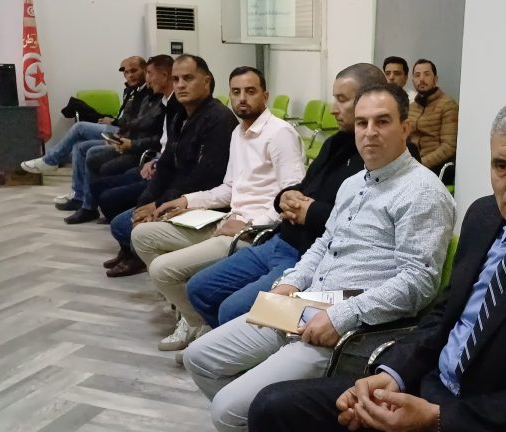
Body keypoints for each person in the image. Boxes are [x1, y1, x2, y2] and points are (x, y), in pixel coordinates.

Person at [249, 97, 506, 432]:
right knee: (273, 406)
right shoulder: (484, 216)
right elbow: (443, 318)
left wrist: (439, 419)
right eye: (502, 165)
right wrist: (391, 376)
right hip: (425, 388)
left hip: (488, 417)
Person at [182, 83, 456, 432]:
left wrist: (342, 316)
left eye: (382, 121)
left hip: (351, 328)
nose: (370, 132)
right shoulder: (354, 183)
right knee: (199, 357)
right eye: (362, 123)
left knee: (226, 409)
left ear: (405, 128)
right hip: (305, 304)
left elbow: (419, 284)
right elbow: (326, 243)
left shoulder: (423, 192)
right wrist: (290, 282)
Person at [184, 63, 389, 330]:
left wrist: (310, 212)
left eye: (342, 99)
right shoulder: (335, 142)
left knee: (231, 310)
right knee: (198, 289)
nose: (333, 108)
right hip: (280, 239)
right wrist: (284, 197)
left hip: (307, 252)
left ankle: (239, 343)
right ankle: (235, 341)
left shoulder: (376, 157)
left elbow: (362, 224)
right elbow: (303, 186)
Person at [131, 66, 305, 351]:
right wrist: (187, 200)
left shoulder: (279, 134)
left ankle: (198, 324)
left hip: (254, 234)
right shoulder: (238, 133)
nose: (242, 98)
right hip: (227, 222)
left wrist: (251, 225)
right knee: (142, 235)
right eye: (236, 92)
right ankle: (194, 318)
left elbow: (292, 197)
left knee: (162, 269)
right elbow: (229, 187)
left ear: (265, 96)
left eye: (250, 91)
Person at [105, 54, 238, 278]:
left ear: (206, 81)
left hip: (201, 204)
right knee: (128, 217)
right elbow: (166, 164)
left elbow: (204, 178)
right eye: (176, 79)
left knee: (123, 225)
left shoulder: (219, 120)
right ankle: (145, 259)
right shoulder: (179, 115)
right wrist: (147, 202)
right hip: (175, 195)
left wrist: (159, 205)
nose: (180, 85)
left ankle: (165, 268)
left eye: (188, 78)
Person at [20, 56, 150, 203]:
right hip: (119, 127)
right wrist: (114, 120)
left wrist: (114, 121)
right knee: (78, 145)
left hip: (124, 132)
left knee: (80, 127)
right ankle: (79, 195)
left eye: (134, 71)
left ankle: (50, 160)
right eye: (126, 72)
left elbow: (136, 121)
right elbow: (128, 117)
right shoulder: (130, 90)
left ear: (145, 70)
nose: (130, 75)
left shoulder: (146, 92)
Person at [64, 55, 174, 224]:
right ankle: (84, 201)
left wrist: (130, 142)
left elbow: (150, 130)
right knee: (81, 147)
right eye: (126, 72)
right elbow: (136, 124)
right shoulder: (144, 94)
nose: (131, 76)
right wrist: (121, 137)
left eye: (147, 73)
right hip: (134, 143)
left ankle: (91, 205)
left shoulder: (158, 99)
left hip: (142, 150)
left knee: (87, 143)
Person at [408, 59, 459, 176]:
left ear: (435, 79)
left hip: (436, 169)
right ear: (413, 80)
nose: (421, 79)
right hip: (411, 166)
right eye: (417, 75)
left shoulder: (448, 105)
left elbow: (449, 147)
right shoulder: (411, 107)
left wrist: (419, 165)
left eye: (427, 74)